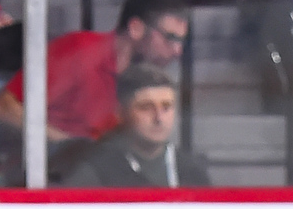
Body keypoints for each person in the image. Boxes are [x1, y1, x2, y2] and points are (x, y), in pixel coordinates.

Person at [0, 0, 192, 159]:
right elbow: (6, 108)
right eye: (170, 38)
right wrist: (68, 145)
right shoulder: (81, 52)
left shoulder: (145, 82)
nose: (177, 51)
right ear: (136, 28)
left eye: (181, 41)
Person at [64, 66, 212, 188]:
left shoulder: (192, 171)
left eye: (166, 107)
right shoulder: (95, 170)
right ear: (120, 113)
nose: (159, 118)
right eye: (146, 107)